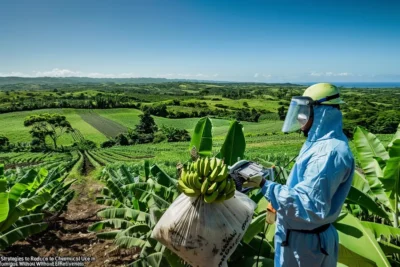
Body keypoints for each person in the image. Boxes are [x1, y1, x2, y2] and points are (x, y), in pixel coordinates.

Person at [231, 83, 355, 267]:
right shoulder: (319, 143)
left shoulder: (328, 153)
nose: (299, 117)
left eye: (305, 112)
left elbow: (308, 205)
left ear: (321, 114)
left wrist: (265, 185)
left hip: (307, 247)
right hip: (298, 238)